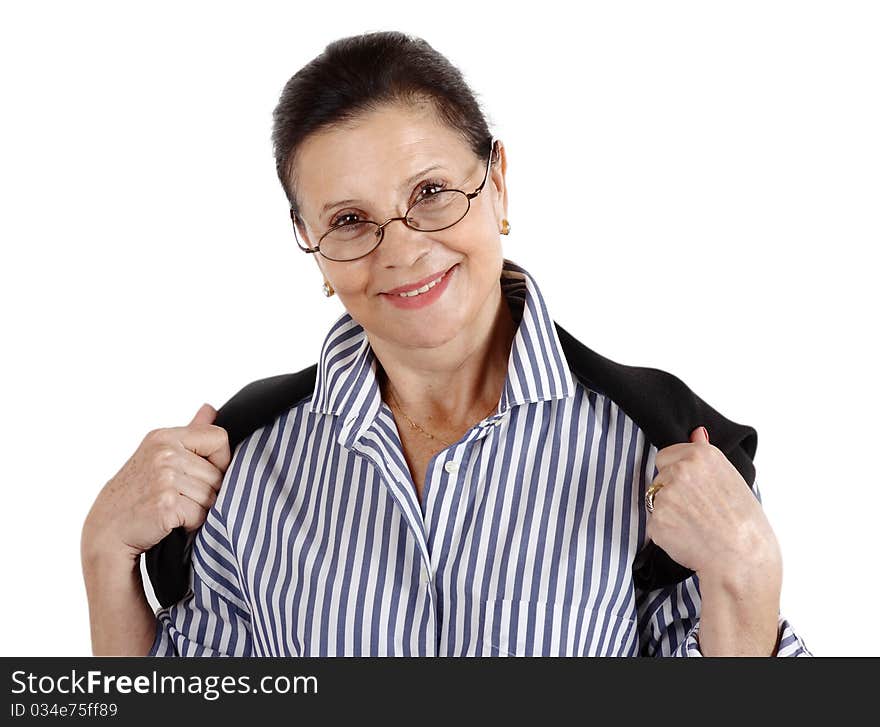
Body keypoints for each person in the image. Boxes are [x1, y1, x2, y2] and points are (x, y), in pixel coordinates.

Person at [81, 30, 813, 657]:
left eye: (429, 192)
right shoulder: (246, 465)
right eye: (349, 219)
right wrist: (105, 554)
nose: (401, 249)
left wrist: (747, 579)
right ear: (310, 243)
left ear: (497, 182)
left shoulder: (657, 449)